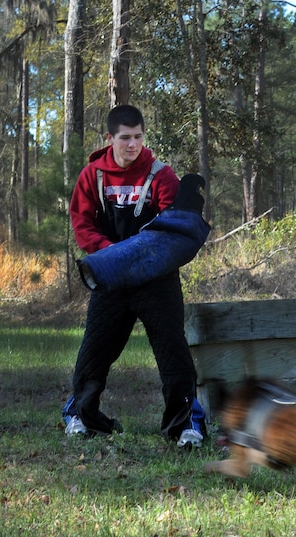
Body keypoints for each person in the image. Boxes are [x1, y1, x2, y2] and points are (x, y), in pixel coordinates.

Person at [62, 104, 206, 448]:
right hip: (110, 280)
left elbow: (171, 235)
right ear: (110, 138)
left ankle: (184, 426)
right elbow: (82, 225)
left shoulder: (161, 175)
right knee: (93, 354)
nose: (132, 145)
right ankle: (83, 417)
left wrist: (138, 259)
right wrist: (114, 257)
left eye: (138, 137)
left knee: (174, 355)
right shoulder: (92, 175)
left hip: (157, 280)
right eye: (125, 138)